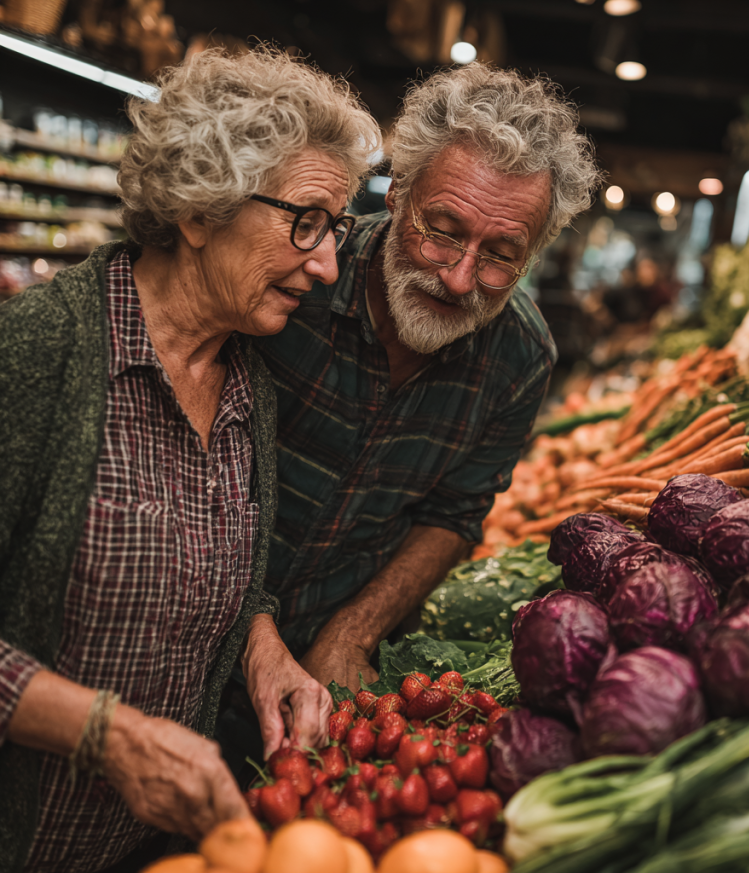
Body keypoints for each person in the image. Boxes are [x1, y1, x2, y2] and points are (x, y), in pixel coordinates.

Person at [0, 48, 380, 873]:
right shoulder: (37, 353)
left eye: (336, 229)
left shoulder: (250, 388)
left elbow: (211, 574)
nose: (326, 264)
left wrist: (259, 645)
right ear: (202, 210)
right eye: (305, 220)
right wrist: (106, 734)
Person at [257, 63, 600, 689]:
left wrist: (351, 635)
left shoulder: (521, 357)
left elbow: (454, 514)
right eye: (441, 232)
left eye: (501, 256)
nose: (460, 279)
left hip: (331, 662)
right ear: (396, 194)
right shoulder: (293, 281)